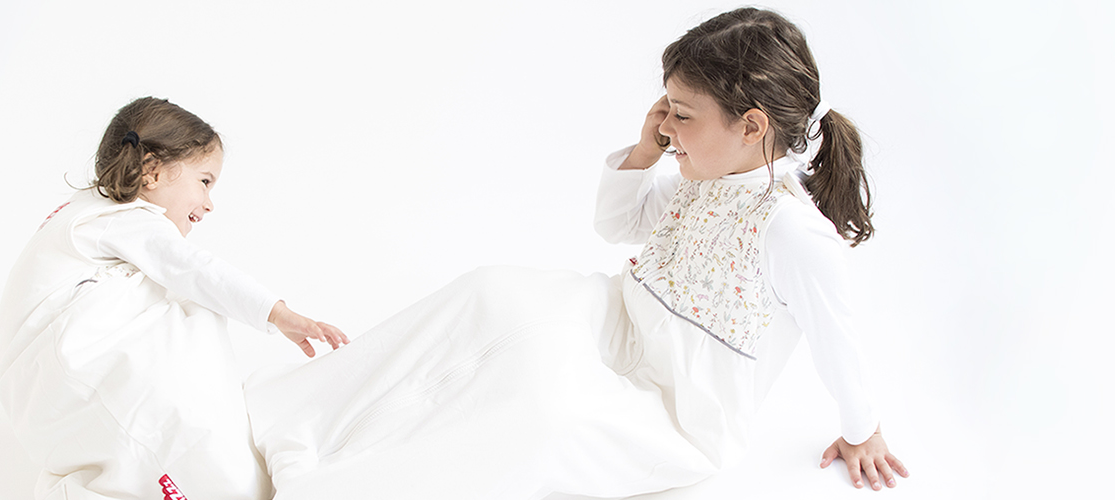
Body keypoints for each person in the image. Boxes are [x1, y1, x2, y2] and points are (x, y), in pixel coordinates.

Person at [243, 7, 908, 499]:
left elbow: (837, 341)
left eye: (682, 114)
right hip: (614, 318)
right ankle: (293, 419)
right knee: (491, 293)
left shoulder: (791, 231)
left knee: (537, 404)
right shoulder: (699, 174)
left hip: (672, 400)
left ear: (752, 126)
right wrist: (649, 150)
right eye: (664, 109)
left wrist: (863, 429)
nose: (667, 126)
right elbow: (615, 224)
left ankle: (333, 484)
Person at [0, 97, 348, 500]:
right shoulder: (129, 219)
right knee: (195, 306)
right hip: (72, 359)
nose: (210, 203)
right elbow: (197, 269)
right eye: (205, 181)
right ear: (152, 172)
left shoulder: (81, 212)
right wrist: (278, 314)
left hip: (35, 391)